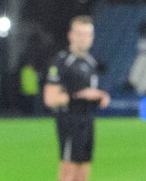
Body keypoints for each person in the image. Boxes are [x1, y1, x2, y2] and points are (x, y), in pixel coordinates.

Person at [44, 15, 110, 181]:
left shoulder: (90, 62)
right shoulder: (62, 61)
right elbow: (50, 98)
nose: (84, 38)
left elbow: (89, 92)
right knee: (69, 170)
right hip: (69, 120)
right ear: (70, 35)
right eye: (79, 34)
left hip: (87, 119)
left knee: (84, 169)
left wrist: (100, 96)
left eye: (88, 34)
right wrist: (79, 96)